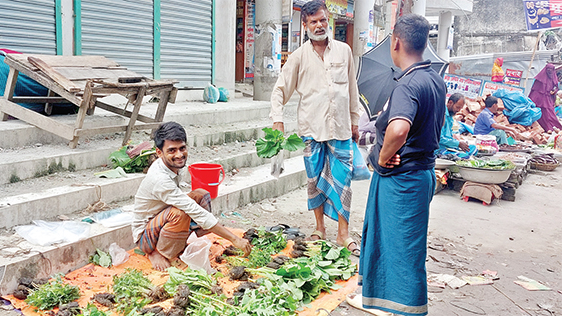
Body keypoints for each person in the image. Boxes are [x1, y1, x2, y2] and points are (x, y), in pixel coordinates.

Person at [356, 14, 445, 316]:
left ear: (395, 42)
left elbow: (398, 130)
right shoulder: (434, 79)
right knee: (406, 250)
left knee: (400, 253)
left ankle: (407, 310)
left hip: (402, 180)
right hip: (420, 175)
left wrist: (382, 157)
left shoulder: (408, 85)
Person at [270, 0, 362, 255]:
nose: (319, 25)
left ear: (328, 19)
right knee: (315, 181)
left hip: (341, 128)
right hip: (311, 129)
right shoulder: (298, 57)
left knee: (343, 181)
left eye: (322, 20)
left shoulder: (344, 51)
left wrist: (355, 120)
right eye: (313, 22)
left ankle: (343, 233)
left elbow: (352, 89)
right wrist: (277, 119)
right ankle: (319, 228)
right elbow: (279, 90)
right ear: (305, 24)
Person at [131, 122, 251, 271]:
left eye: (182, 148)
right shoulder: (159, 179)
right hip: (145, 235)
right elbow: (191, 209)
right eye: (172, 150)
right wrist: (234, 239)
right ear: (159, 152)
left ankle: (180, 243)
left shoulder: (172, 166)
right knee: (180, 213)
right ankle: (158, 252)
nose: (179, 155)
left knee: (201, 195)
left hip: (161, 218)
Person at [528, 64, 562, 132]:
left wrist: (554, 91)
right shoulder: (539, 79)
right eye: (548, 69)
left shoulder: (553, 78)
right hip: (539, 99)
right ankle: (537, 127)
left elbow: (555, 87)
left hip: (548, 99)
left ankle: (551, 128)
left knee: (549, 114)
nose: (549, 71)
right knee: (538, 112)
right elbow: (535, 90)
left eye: (551, 70)